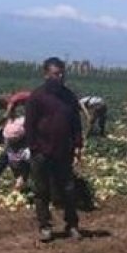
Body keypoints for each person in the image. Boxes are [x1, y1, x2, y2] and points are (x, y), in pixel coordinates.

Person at [25, 57, 84, 242]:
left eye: (61, 73)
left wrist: (78, 145)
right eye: (55, 74)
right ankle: (45, 226)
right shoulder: (37, 96)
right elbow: (30, 125)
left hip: (63, 151)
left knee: (68, 189)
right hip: (41, 152)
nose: (59, 77)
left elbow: (76, 123)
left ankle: (72, 224)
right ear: (46, 74)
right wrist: (34, 148)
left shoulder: (69, 97)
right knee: (42, 191)